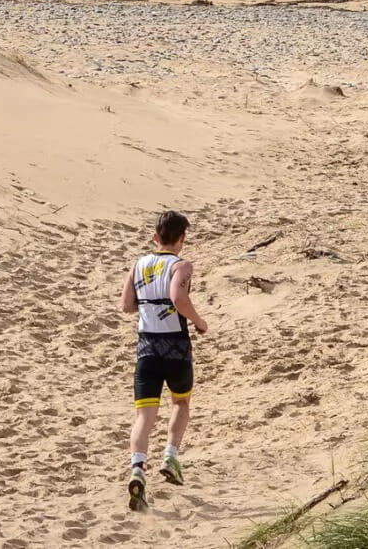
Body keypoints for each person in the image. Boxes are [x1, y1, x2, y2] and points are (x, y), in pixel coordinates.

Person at [121, 210, 206, 510]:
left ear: (156, 237)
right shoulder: (181, 265)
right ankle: (170, 457)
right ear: (182, 239)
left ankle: (137, 470)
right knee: (180, 403)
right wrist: (199, 321)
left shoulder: (138, 264)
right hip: (175, 348)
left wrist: (148, 304)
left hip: (146, 348)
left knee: (144, 416)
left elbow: (126, 305)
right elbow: (178, 299)